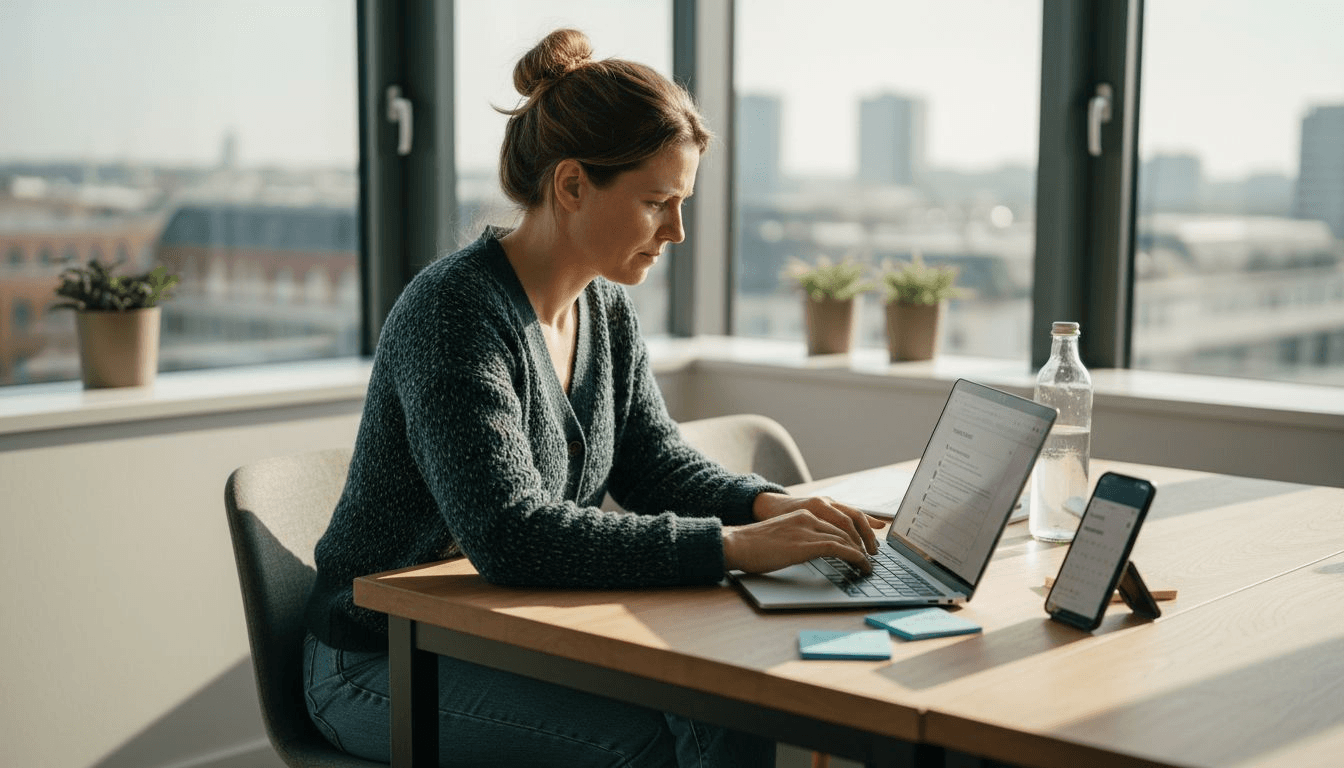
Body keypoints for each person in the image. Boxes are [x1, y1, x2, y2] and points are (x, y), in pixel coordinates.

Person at [302, 28, 885, 768]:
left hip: (499, 631)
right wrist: (731, 547)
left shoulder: (604, 310)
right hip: (376, 663)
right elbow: (511, 533)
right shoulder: (452, 311)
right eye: (656, 203)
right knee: (660, 739)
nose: (675, 231)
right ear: (573, 185)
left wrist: (770, 506)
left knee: (727, 706)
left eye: (682, 205)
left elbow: (655, 463)